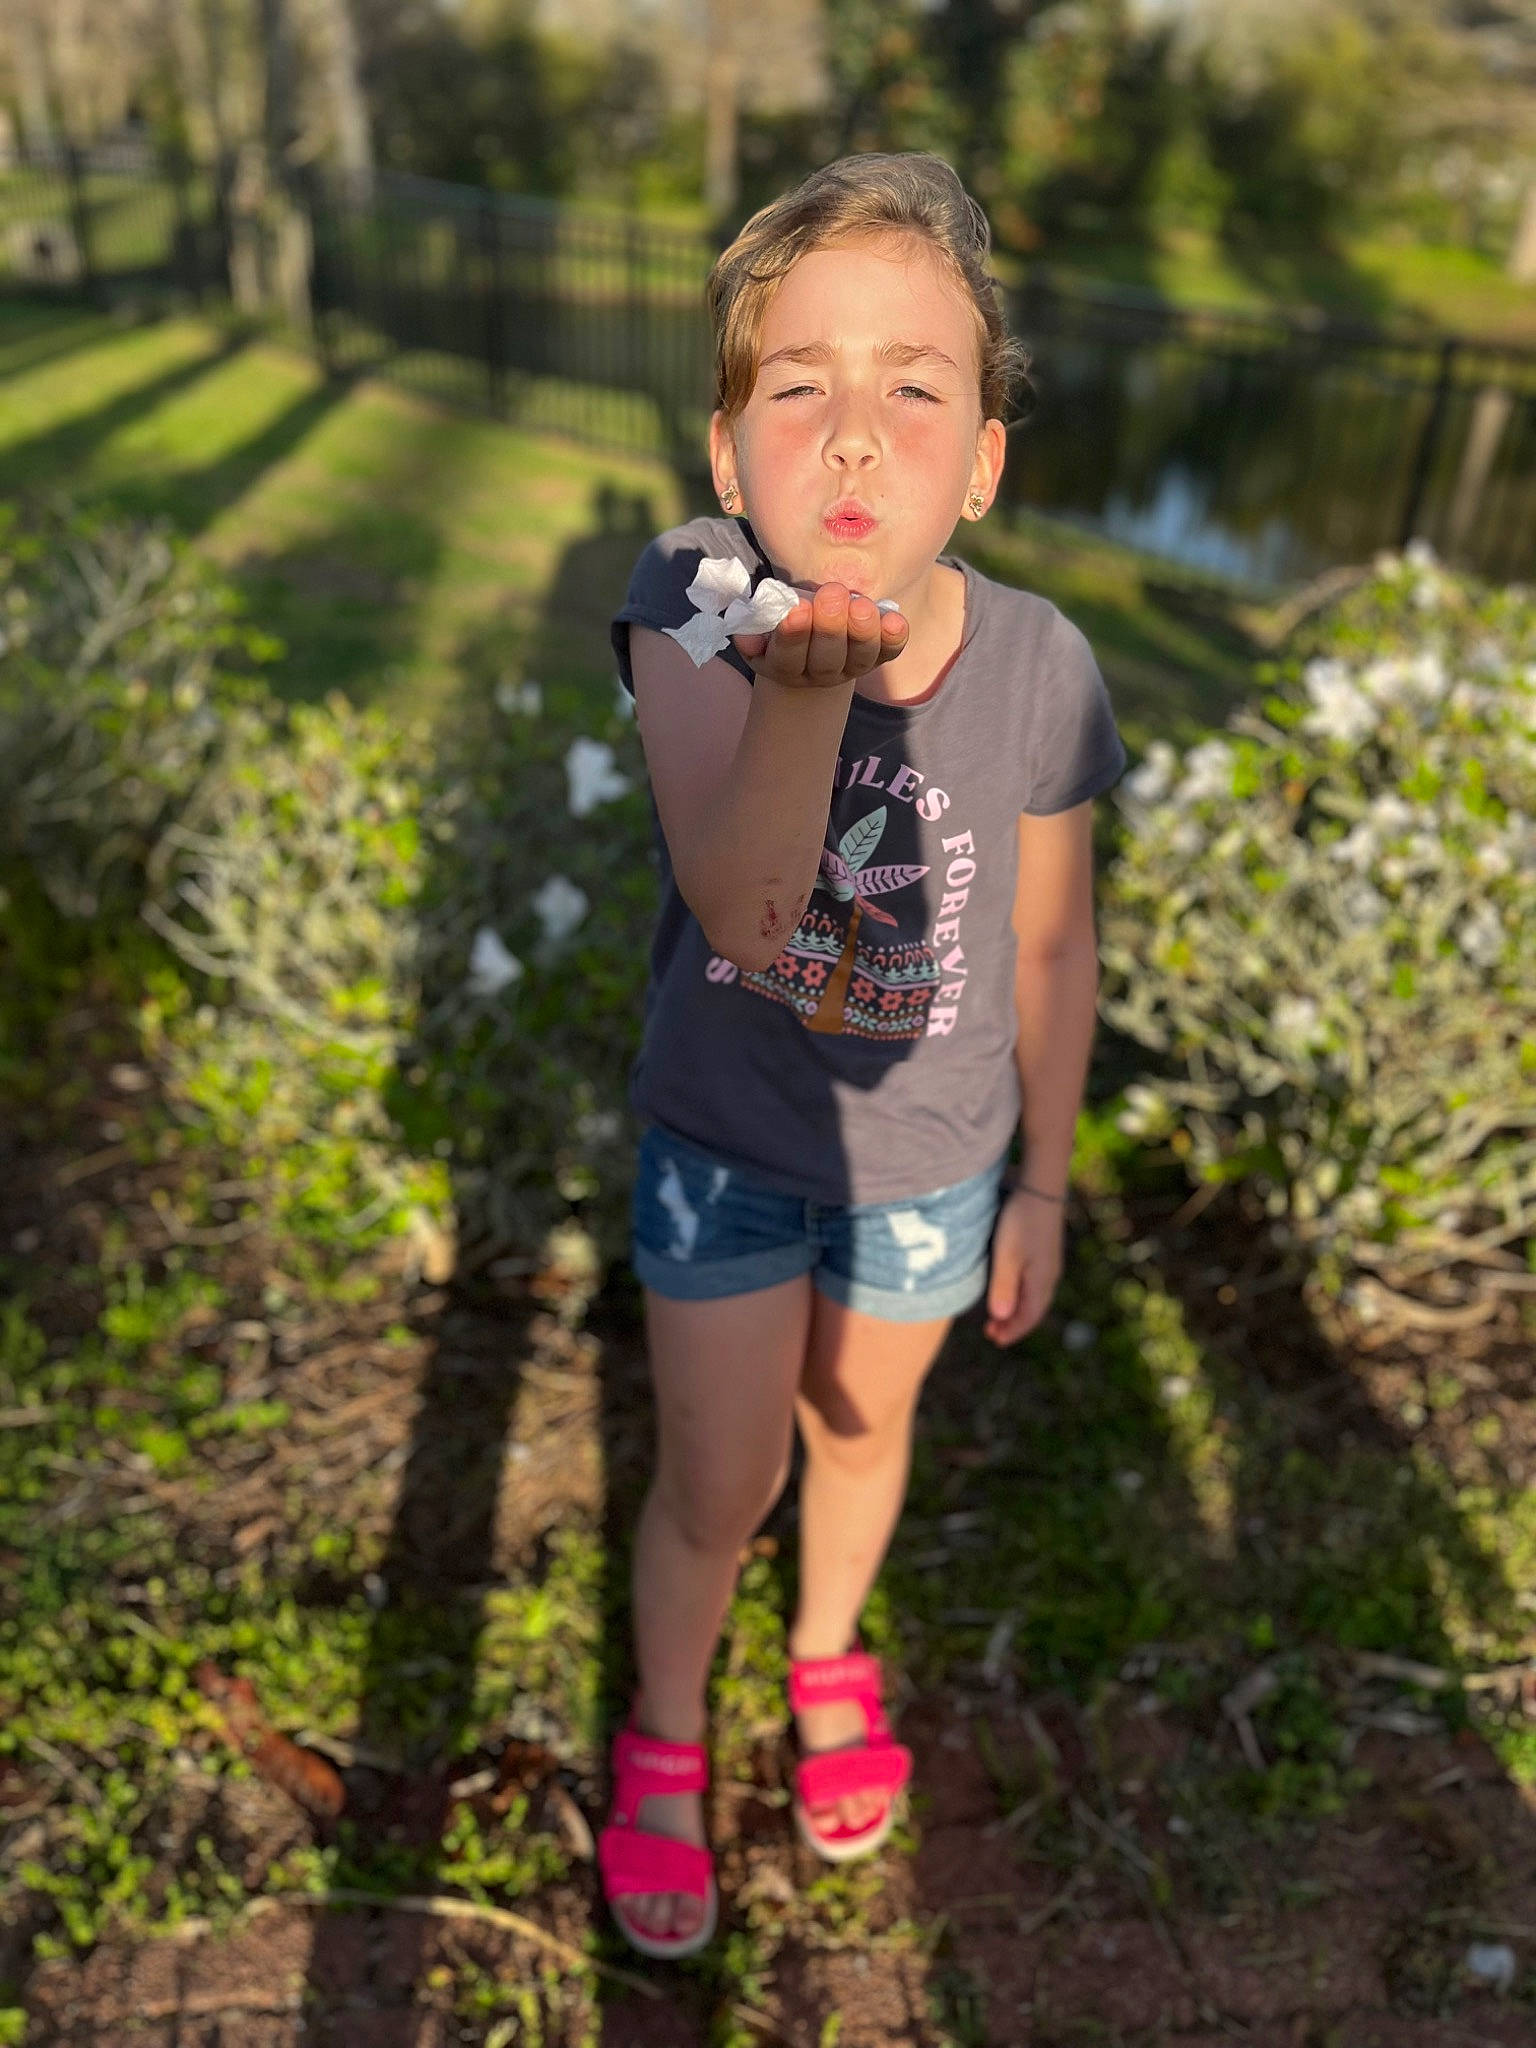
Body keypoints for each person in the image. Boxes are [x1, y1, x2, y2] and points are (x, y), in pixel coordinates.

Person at [599, 151, 1127, 1959]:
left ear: (982, 461)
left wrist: (1041, 1182)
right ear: (725, 447)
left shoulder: (1043, 664)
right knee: (719, 1481)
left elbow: (1049, 943)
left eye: (913, 388)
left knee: (860, 1425)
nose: (849, 435)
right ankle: (669, 1728)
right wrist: (809, 696)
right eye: (798, 385)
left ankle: (826, 1652)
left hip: (934, 1164)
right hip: (725, 1152)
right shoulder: (695, 599)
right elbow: (749, 913)